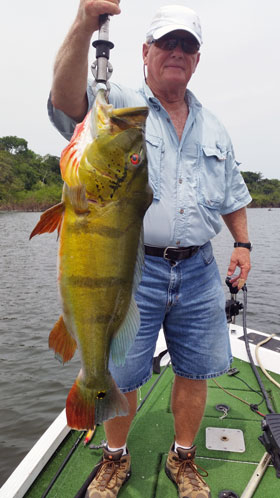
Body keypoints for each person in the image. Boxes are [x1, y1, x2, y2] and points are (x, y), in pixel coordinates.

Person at [48, 2, 252, 497]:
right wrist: (82, 24)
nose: (177, 53)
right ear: (145, 52)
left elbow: (233, 192)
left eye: (187, 45)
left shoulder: (214, 126)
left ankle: (184, 458)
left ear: (197, 59)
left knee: (197, 369)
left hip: (201, 267)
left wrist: (242, 241)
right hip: (134, 269)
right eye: (167, 43)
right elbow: (67, 96)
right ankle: (113, 459)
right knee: (123, 370)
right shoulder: (118, 103)